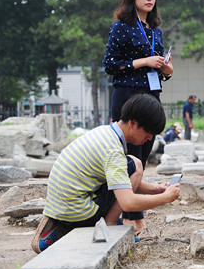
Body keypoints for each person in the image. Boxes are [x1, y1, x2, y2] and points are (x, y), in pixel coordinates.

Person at [31, 94, 181, 253]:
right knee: (135, 165)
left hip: (61, 207)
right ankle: (107, 229)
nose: (150, 138)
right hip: (78, 211)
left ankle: (59, 230)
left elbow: (120, 178)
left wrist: (155, 189)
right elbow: (128, 203)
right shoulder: (113, 151)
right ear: (133, 123)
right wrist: (164, 198)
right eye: (148, 132)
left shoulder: (105, 132)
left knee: (131, 163)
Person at [103, 0, 174, 232]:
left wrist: (166, 69)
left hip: (151, 96)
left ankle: (130, 216)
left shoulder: (155, 30)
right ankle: (132, 218)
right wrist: (144, 62)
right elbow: (110, 64)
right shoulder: (121, 26)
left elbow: (160, 71)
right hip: (128, 98)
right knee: (130, 161)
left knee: (143, 155)